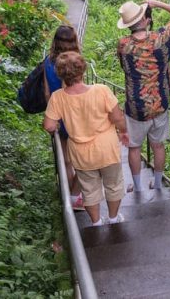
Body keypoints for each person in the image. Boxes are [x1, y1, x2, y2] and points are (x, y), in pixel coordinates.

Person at [43, 51, 129, 226]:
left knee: (89, 190)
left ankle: (96, 222)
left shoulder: (57, 97)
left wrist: (58, 125)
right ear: (83, 70)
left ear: (60, 74)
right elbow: (117, 117)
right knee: (113, 184)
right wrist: (124, 131)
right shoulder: (101, 90)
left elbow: (49, 126)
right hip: (107, 149)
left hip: (81, 153)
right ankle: (113, 218)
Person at [116, 0, 170, 191]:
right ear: (146, 20)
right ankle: (157, 185)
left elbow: (125, 68)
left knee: (134, 147)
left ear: (129, 24)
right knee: (158, 146)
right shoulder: (161, 38)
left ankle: (138, 187)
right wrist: (157, 3)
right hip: (160, 104)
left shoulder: (123, 45)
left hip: (135, 108)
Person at [43, 25, 83, 210]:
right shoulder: (74, 62)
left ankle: (69, 196)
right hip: (75, 115)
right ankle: (74, 196)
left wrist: (53, 114)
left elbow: (46, 93)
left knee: (66, 160)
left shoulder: (47, 62)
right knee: (83, 158)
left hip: (58, 115)